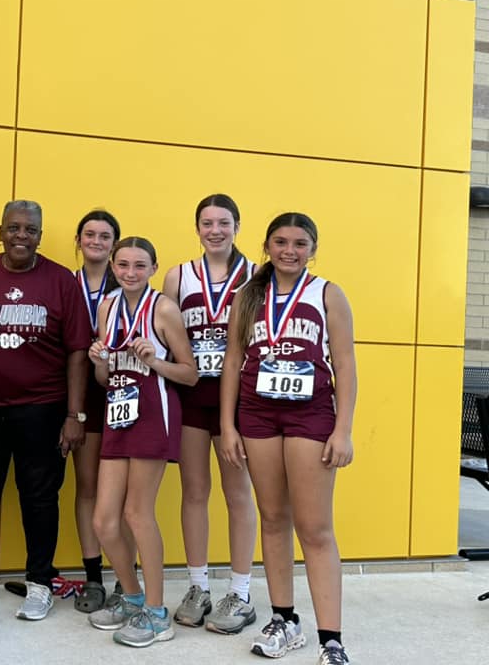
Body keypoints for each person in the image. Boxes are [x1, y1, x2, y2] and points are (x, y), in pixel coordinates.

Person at [0, 200, 91, 621]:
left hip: (42, 409)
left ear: (41, 236)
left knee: (40, 499)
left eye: (30, 229)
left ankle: (40, 582)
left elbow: (78, 352)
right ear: (1, 231)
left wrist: (74, 415)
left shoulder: (62, 280)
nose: (21, 236)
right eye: (13, 228)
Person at [219, 213, 356, 665]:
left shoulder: (328, 294)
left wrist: (343, 429)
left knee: (315, 529)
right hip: (258, 414)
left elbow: (345, 365)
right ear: (267, 245)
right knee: (273, 518)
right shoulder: (248, 296)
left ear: (312, 248)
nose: (290, 250)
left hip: (310, 415)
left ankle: (331, 640)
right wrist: (227, 424)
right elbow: (232, 362)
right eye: (281, 241)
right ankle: (284, 619)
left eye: (300, 243)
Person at [86, 237, 198, 647]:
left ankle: (156, 612)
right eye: (123, 265)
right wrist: (99, 362)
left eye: (139, 265)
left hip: (154, 412)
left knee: (137, 513)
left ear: (153, 268)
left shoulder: (164, 309)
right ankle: (131, 597)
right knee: (103, 520)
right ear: (113, 267)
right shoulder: (107, 307)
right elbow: (104, 379)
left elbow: (190, 374)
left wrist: (154, 360)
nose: (130, 273)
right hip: (118, 412)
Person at [162, 194, 258, 633]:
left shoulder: (256, 277)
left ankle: (240, 590)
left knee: (237, 492)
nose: (215, 229)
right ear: (197, 227)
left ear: (237, 225)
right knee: (194, 491)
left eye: (223, 222)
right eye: (207, 222)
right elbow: (162, 331)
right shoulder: (178, 276)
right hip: (190, 392)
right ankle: (197, 585)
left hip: (236, 394)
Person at [71, 210, 121, 614]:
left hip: (121, 392)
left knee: (123, 492)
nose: (97, 241)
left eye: (106, 236)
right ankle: (93, 577)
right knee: (86, 485)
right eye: (90, 234)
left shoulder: (128, 283)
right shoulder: (62, 284)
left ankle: (127, 575)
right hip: (77, 395)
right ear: (79, 239)